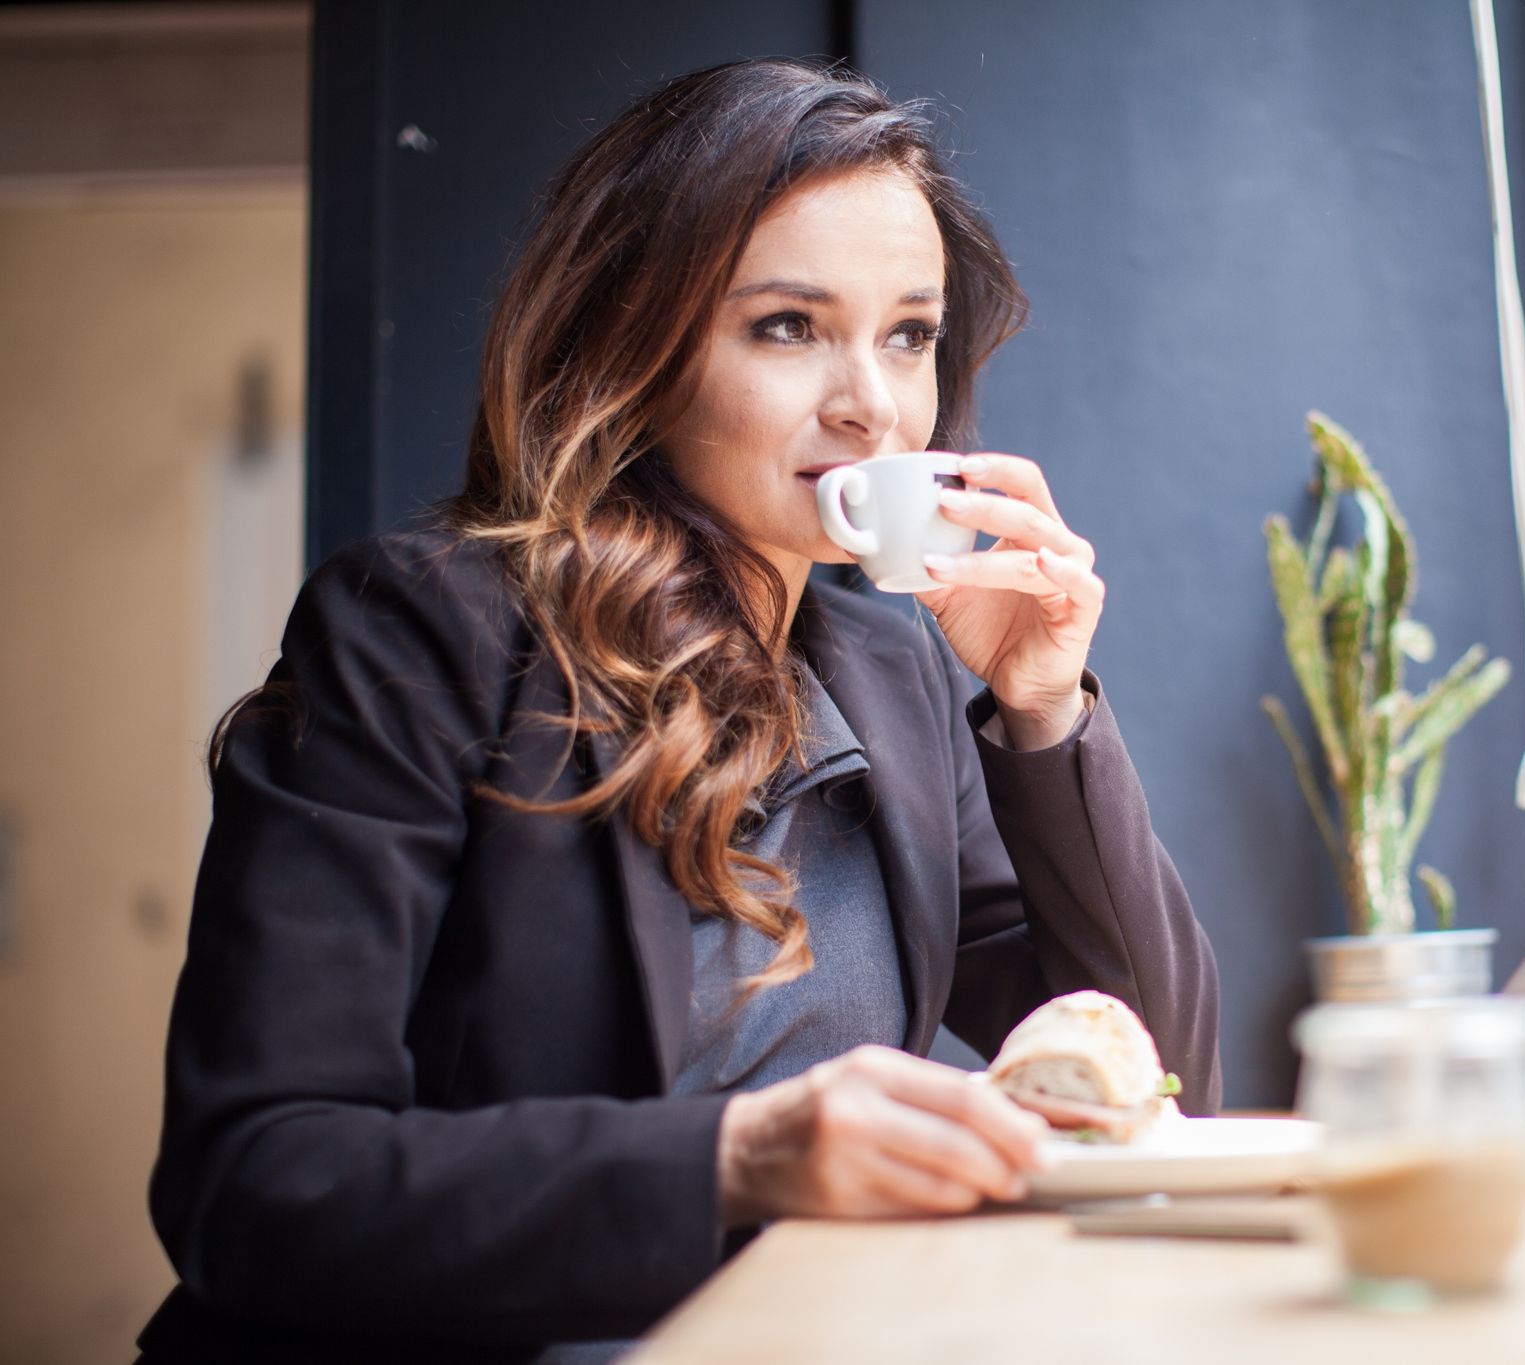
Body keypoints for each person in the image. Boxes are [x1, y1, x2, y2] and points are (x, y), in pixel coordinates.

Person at [137, 56, 1222, 1363]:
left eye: (909, 334)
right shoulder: (421, 631)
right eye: (786, 326)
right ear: (634, 345)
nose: (871, 403)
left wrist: (1045, 712)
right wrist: (737, 1155)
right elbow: (256, 1180)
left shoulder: (895, 679)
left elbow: (1149, 1070)